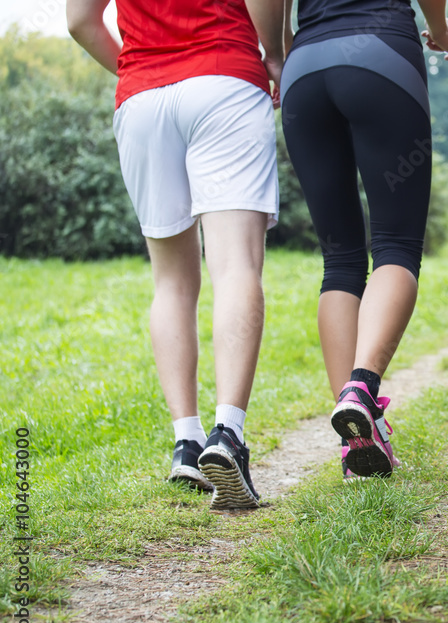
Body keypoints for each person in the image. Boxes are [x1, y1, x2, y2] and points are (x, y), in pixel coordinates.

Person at [67, 0, 285, 509]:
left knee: (170, 281)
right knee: (235, 265)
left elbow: (79, 22)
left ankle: (186, 443)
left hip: (142, 97)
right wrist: (273, 53)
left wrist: (137, 67)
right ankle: (227, 434)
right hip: (224, 77)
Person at [276, 0, 448, 479]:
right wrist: (440, 31)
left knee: (339, 262)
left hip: (305, 66)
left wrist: (277, 53)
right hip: (381, 54)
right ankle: (361, 390)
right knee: (396, 245)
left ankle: (357, 440)